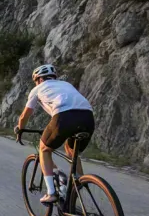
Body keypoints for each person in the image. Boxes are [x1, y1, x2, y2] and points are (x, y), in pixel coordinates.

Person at [14, 64, 95, 204]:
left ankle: (51, 193)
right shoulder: (65, 84)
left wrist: (20, 129)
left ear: (38, 79)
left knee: (44, 149)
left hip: (64, 116)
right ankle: (79, 181)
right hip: (88, 117)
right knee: (71, 150)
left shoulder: (37, 89)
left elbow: (24, 116)